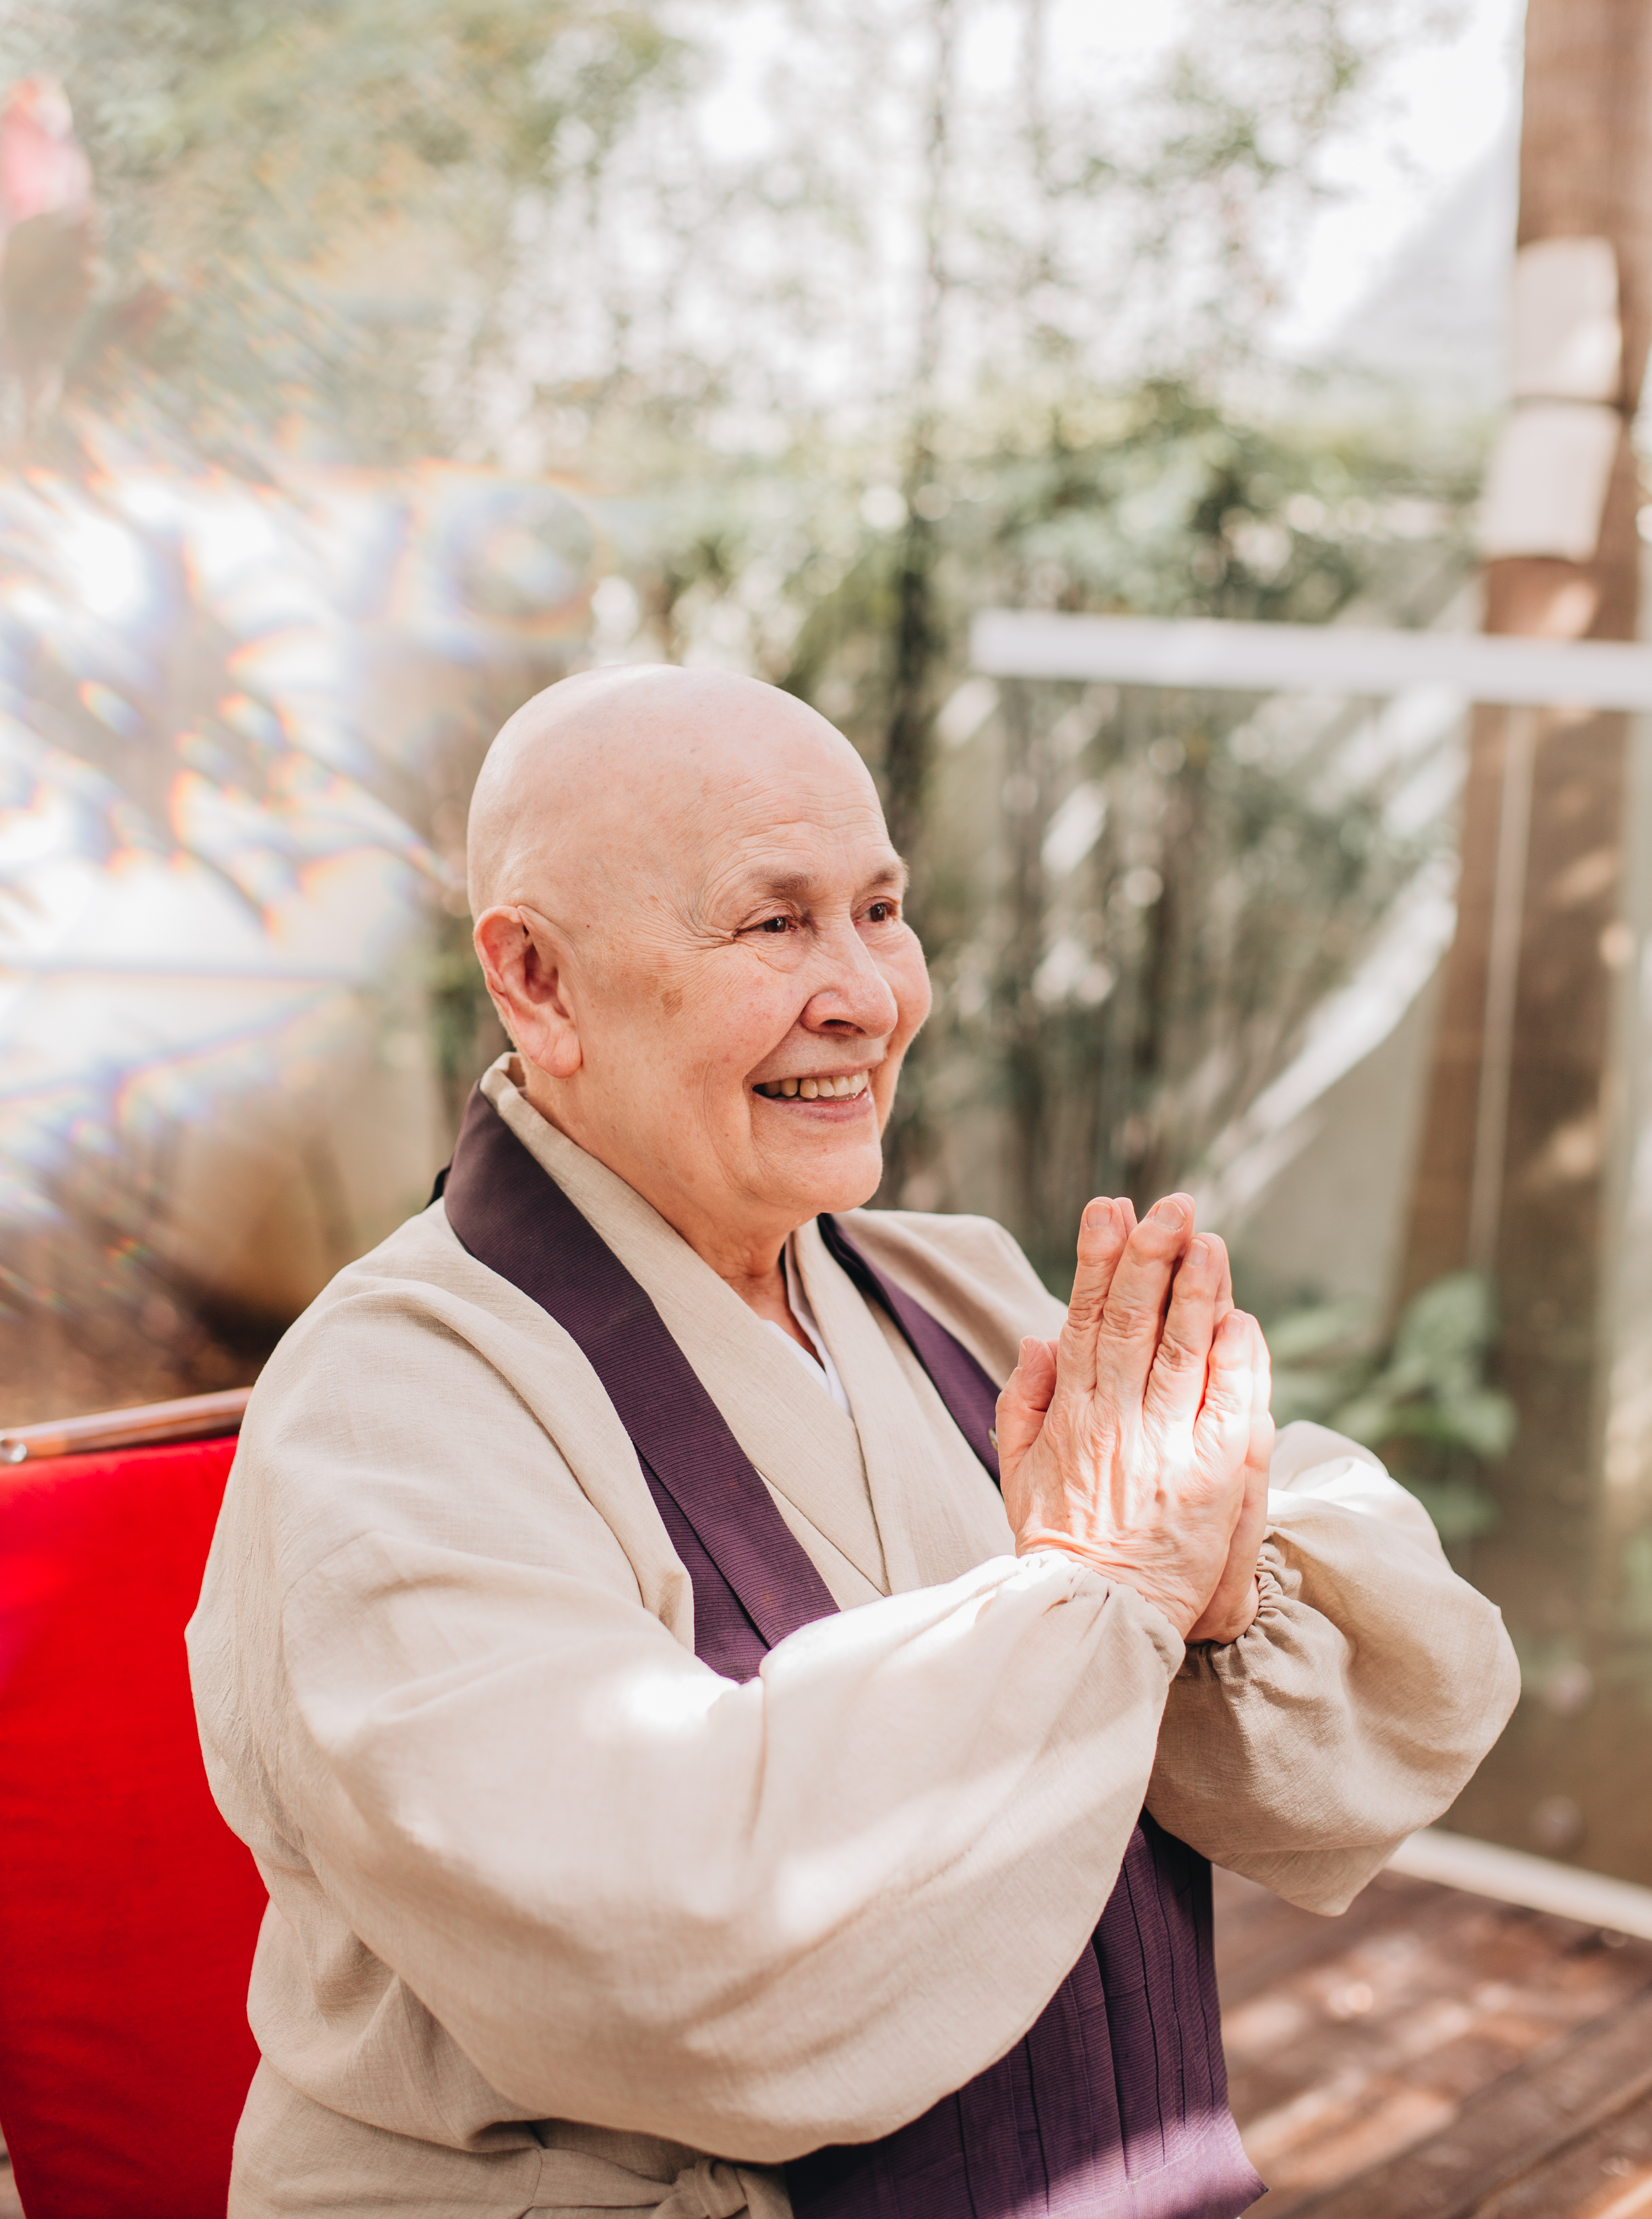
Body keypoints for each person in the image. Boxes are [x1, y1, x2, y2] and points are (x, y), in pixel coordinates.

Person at [188, 666, 1519, 2219]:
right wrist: (1097, 1587)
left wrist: (1203, 1590)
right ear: (540, 981)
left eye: (880, 910)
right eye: (775, 923)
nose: (870, 994)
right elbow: (671, 1960)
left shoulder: (948, 1285)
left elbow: (1392, 1697)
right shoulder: (394, 1402)